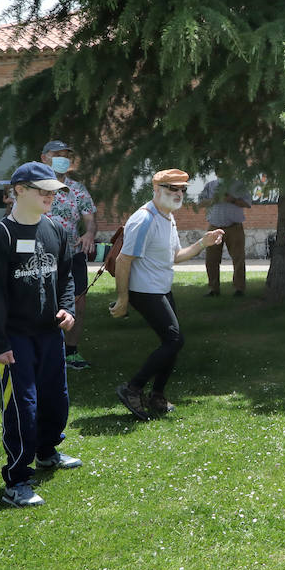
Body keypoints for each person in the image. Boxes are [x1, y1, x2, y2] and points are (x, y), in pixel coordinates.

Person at [0, 162, 80, 507]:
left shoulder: (54, 229)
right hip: (16, 338)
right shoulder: (1, 236)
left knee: (56, 396)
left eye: (53, 191)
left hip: (49, 334)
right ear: (18, 191)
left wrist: (67, 308)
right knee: (23, 406)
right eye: (43, 190)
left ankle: (48, 451)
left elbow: (66, 276)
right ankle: (17, 479)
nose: (50, 196)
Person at [110, 169, 224, 420]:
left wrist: (203, 243)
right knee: (174, 341)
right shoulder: (145, 219)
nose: (178, 193)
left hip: (161, 288)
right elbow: (123, 260)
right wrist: (123, 298)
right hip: (145, 290)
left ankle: (156, 396)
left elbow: (175, 256)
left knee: (172, 342)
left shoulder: (168, 217)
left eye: (182, 189)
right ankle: (133, 389)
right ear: (157, 190)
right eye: (173, 189)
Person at [41, 140, 98, 370]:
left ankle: (71, 352)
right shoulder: (34, 187)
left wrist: (89, 235)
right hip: (43, 256)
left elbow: (90, 220)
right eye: (57, 154)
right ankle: (45, 351)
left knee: (77, 302)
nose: (62, 159)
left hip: (73, 256)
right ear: (44, 157)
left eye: (66, 155)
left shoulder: (78, 189)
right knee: (43, 302)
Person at [199, 177, 252, 297]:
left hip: (235, 227)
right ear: (217, 172)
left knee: (238, 258)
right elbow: (200, 203)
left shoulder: (239, 185)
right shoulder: (210, 186)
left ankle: (239, 288)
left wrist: (232, 200)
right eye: (220, 169)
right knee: (211, 259)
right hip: (214, 226)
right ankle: (213, 289)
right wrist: (214, 199)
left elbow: (248, 203)